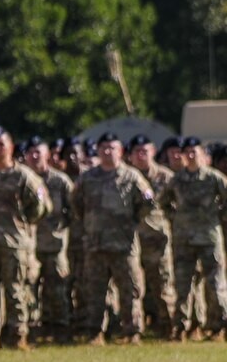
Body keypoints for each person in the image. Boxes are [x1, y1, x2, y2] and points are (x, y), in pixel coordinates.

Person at [0, 129, 50, 351]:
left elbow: (42, 205)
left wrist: (25, 224)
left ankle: (17, 335)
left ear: (11, 147)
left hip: (14, 244)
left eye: (2, 144)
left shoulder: (23, 176)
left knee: (15, 290)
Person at [73, 133, 155, 345]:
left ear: (120, 151)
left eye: (112, 148)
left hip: (124, 244)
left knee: (130, 289)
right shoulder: (87, 178)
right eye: (103, 148)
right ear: (98, 152)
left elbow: (147, 203)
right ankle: (95, 332)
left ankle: (131, 331)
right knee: (94, 290)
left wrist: (132, 221)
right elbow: (76, 203)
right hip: (95, 244)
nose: (107, 152)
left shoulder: (132, 177)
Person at [162, 137, 227, 341]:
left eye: (194, 152)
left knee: (216, 285)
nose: (190, 156)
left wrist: (218, 216)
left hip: (209, 238)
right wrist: (176, 217)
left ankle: (220, 326)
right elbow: (162, 202)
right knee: (182, 286)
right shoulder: (177, 179)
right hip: (184, 240)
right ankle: (181, 327)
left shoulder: (213, 178)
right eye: (187, 152)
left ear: (202, 154)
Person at [23, 138, 75, 342]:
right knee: (29, 289)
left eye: (39, 152)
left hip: (54, 245)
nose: (35, 157)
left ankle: (60, 329)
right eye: (31, 153)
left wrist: (61, 229)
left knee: (58, 289)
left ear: (47, 154)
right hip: (29, 246)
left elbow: (74, 209)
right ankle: (34, 329)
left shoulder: (60, 181)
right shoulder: (22, 178)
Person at [127, 137, 178, 338]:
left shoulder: (166, 177)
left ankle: (169, 326)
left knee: (163, 285)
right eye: (137, 151)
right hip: (133, 240)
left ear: (153, 151)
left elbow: (178, 206)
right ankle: (137, 327)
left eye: (145, 151)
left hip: (158, 241)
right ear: (130, 155)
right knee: (135, 286)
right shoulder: (127, 177)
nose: (141, 155)